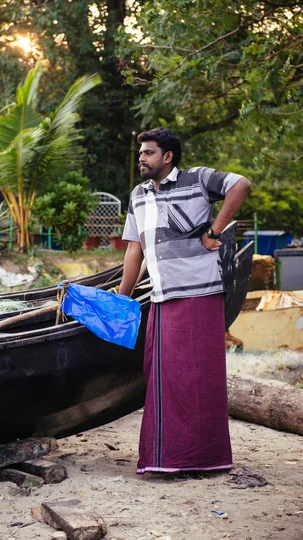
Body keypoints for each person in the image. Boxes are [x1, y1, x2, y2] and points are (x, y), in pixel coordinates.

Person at [118, 127, 251, 474]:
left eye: (148, 153)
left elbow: (240, 185)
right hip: (162, 297)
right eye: (141, 153)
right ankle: (164, 459)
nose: (141, 159)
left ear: (167, 157)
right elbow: (135, 249)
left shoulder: (197, 179)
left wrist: (213, 231)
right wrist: (122, 298)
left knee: (198, 377)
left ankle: (204, 459)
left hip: (199, 293)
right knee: (162, 377)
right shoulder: (138, 194)